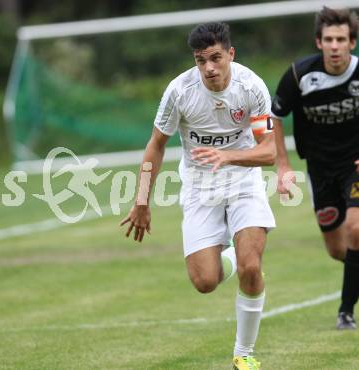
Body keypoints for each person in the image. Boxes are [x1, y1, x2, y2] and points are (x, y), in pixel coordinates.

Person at [120, 22, 276, 369]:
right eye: (200, 60)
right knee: (204, 281)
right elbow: (155, 145)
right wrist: (142, 201)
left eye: (216, 58)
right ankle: (234, 255)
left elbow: (268, 153)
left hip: (243, 180)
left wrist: (229, 156)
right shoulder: (179, 91)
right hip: (199, 186)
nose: (209, 67)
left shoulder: (252, 87)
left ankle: (244, 354)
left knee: (254, 267)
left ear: (230, 54)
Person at [272, 6, 359, 330]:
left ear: (351, 42)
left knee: (356, 230)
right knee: (338, 249)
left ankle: (345, 312)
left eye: (340, 39)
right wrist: (282, 165)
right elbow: (275, 116)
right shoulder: (299, 75)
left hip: (355, 165)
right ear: (318, 42)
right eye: (328, 39)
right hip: (320, 171)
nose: (334, 45)